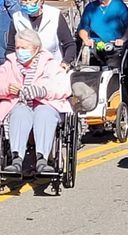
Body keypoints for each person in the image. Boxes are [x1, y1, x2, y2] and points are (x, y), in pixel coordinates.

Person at [0, 29, 73, 175]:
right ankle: (16, 159)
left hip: (46, 105)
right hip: (18, 105)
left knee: (43, 112)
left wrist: (42, 91)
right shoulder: (9, 64)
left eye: (24, 48)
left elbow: (62, 87)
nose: (20, 51)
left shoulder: (50, 64)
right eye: (18, 48)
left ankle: (42, 159)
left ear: (36, 49)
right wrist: (8, 88)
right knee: (20, 112)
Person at [8, 0, 75, 67]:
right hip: (24, 69)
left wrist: (65, 62)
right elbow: (11, 48)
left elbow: (70, 44)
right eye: (24, 0)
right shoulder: (17, 18)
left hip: (52, 69)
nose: (28, 3)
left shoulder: (54, 15)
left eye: (31, 0)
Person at [77, 0, 128, 67]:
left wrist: (123, 39)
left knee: (112, 73)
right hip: (95, 47)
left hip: (114, 48)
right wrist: (86, 39)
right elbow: (83, 27)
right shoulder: (90, 7)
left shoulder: (118, 5)